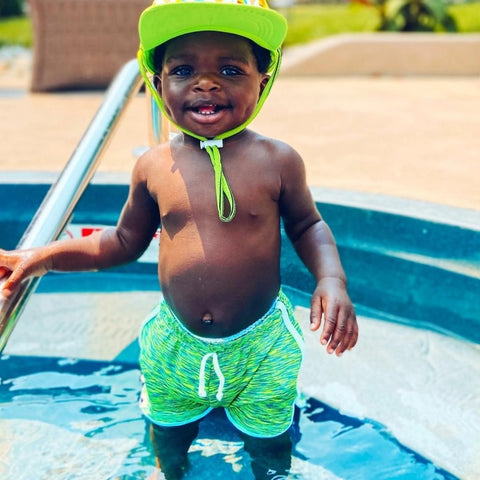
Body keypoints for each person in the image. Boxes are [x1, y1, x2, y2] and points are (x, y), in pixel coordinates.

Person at [0, 0, 358, 478]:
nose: (205, 83)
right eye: (183, 69)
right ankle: (170, 470)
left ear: (263, 82)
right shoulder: (154, 166)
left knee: (269, 440)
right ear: (157, 83)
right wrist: (42, 257)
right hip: (176, 342)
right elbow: (122, 241)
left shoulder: (277, 161)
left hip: (261, 345)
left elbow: (308, 226)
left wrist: (331, 280)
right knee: (167, 430)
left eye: (230, 69)